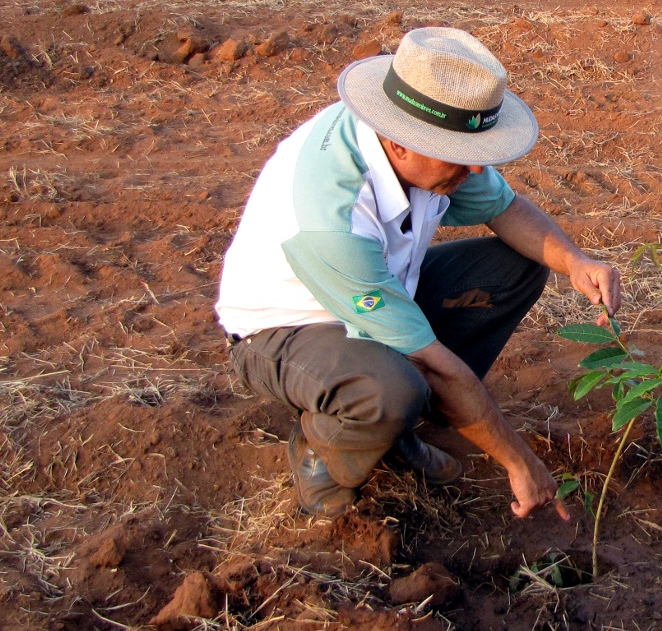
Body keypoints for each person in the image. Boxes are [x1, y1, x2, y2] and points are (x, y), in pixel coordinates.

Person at [216, 27, 619, 521]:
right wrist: (521, 463)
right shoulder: (334, 218)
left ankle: (401, 424)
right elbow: (430, 362)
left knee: (517, 268)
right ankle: (323, 446)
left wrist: (575, 261)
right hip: (285, 331)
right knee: (393, 388)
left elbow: (506, 207)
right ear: (400, 143)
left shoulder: (425, 145)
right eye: (462, 157)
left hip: (380, 291)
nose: (476, 172)